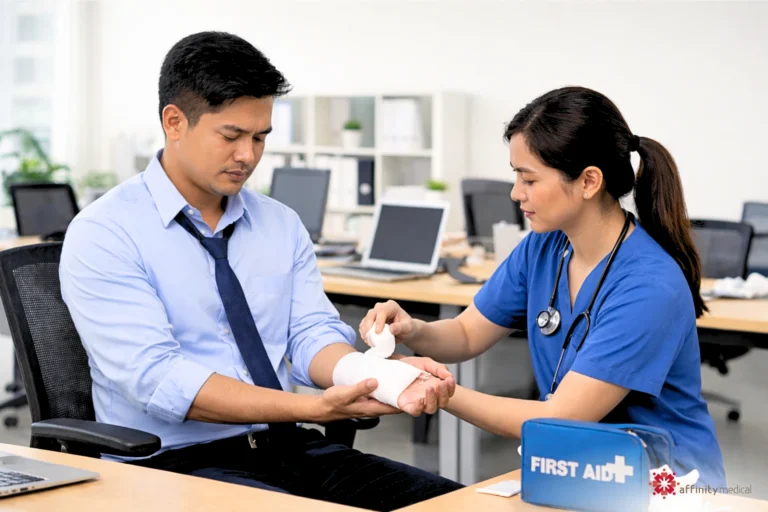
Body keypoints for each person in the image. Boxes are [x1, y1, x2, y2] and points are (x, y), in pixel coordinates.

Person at [59, 31, 463, 511]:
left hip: (288, 447)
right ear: (174, 122)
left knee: (460, 505)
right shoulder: (106, 232)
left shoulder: (279, 223)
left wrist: (374, 375)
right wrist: (311, 408)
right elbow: (160, 379)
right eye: (231, 136)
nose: (248, 155)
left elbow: (310, 334)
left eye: (260, 137)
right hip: (173, 464)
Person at [360, 86, 727, 488]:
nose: (516, 193)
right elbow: (466, 334)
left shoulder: (649, 285)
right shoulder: (544, 247)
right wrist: (414, 330)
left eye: (528, 179)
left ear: (589, 181)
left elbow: (561, 418)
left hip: (665, 485)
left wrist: (439, 390)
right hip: (581, 468)